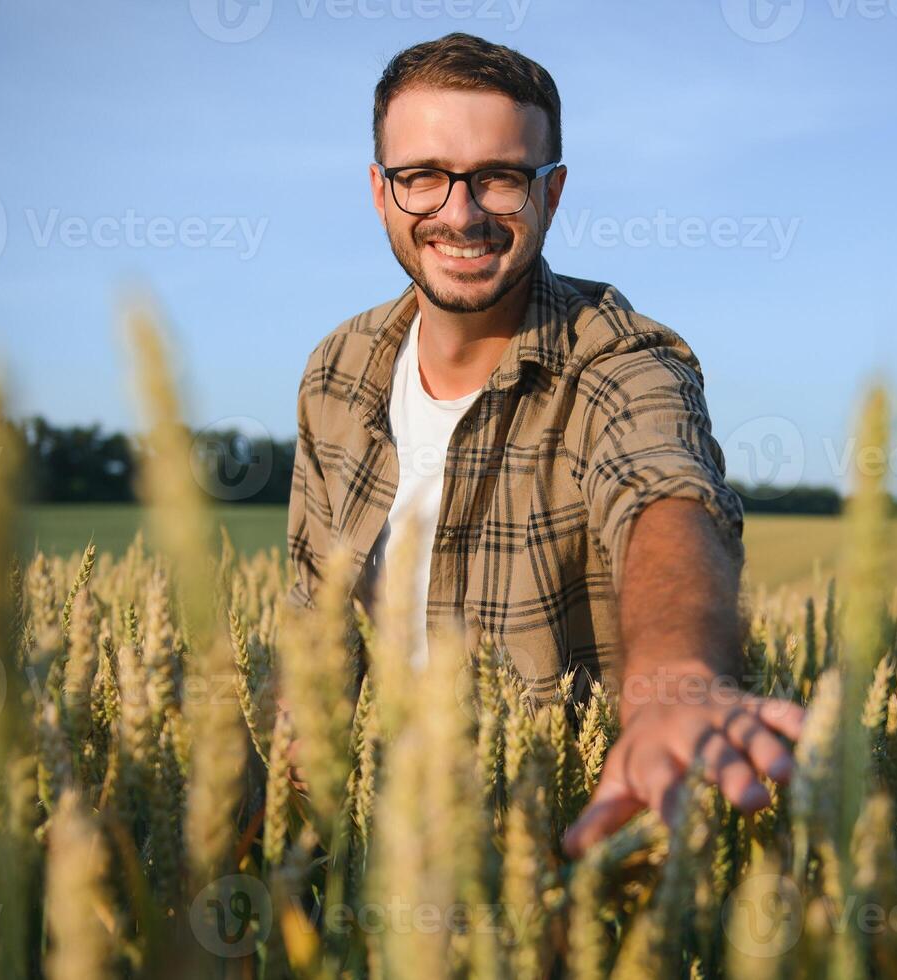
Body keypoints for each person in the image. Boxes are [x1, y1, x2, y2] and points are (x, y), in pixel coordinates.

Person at [284, 32, 805, 860]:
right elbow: (316, 616)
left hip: (557, 847)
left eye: (498, 177)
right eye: (423, 177)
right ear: (380, 193)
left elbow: (663, 499)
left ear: (551, 194)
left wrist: (676, 685)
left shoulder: (622, 359)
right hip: (373, 854)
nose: (460, 213)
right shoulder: (335, 372)